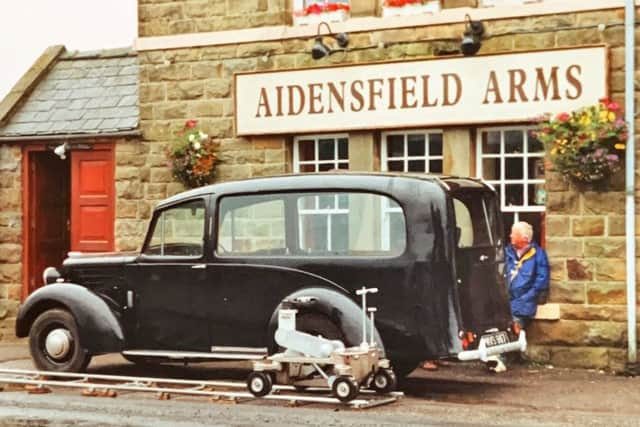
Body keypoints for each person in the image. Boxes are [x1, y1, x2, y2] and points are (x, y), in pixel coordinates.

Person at [489, 221, 550, 373]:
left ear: (524, 238)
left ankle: (500, 358)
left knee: (513, 324)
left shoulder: (538, 254)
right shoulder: (506, 252)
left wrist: (526, 297)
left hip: (524, 302)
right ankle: (493, 354)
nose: (509, 236)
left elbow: (541, 281)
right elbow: (496, 272)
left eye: (513, 233)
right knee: (494, 322)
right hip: (504, 299)